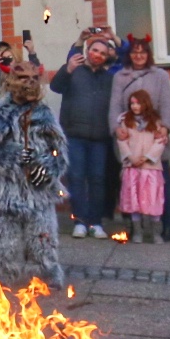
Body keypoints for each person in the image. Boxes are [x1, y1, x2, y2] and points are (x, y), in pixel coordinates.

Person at [0, 54, 69, 288]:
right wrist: (17, 155)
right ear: (9, 81)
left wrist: (48, 166)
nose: (28, 82)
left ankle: (44, 277)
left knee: (42, 240)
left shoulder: (44, 113)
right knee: (3, 244)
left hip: (38, 192)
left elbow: (59, 151)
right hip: (5, 193)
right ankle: (0, 279)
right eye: (22, 77)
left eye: (33, 78)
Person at [50, 32, 119, 239]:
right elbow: (55, 86)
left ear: (107, 57)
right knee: (76, 178)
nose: (98, 55)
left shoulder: (110, 78)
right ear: (88, 51)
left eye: (103, 53)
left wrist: (114, 38)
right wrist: (67, 69)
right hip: (74, 135)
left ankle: (96, 222)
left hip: (100, 137)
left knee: (98, 180)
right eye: (95, 50)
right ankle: (79, 221)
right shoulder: (74, 70)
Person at [110, 35, 170, 241]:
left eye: (142, 52)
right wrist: (115, 128)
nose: (138, 56)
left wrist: (165, 127)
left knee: (161, 185)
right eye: (134, 52)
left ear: (148, 54)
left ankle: (164, 226)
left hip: (153, 135)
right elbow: (114, 105)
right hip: (130, 135)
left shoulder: (160, 76)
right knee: (130, 187)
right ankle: (133, 226)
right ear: (129, 55)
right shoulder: (120, 76)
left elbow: (167, 104)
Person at [115, 90, 169, 244]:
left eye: (138, 103)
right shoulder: (126, 121)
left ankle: (155, 232)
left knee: (152, 199)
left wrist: (147, 157)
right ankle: (137, 231)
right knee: (134, 200)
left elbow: (160, 142)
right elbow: (122, 141)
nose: (135, 106)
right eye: (132, 103)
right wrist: (131, 157)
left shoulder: (156, 121)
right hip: (132, 168)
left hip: (150, 169)